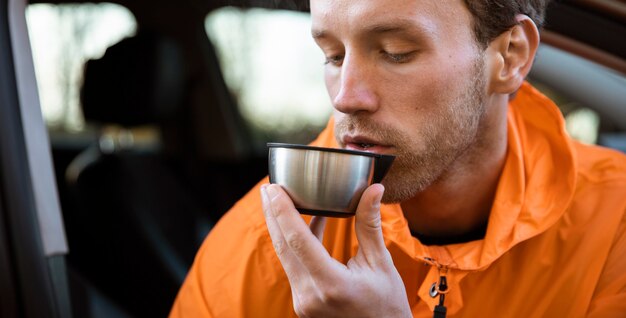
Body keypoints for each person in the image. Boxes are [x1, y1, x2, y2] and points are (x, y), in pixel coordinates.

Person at [170, 0, 626, 317]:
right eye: (332, 55)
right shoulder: (256, 249)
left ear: (510, 56)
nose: (346, 97)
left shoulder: (614, 221)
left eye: (395, 53)